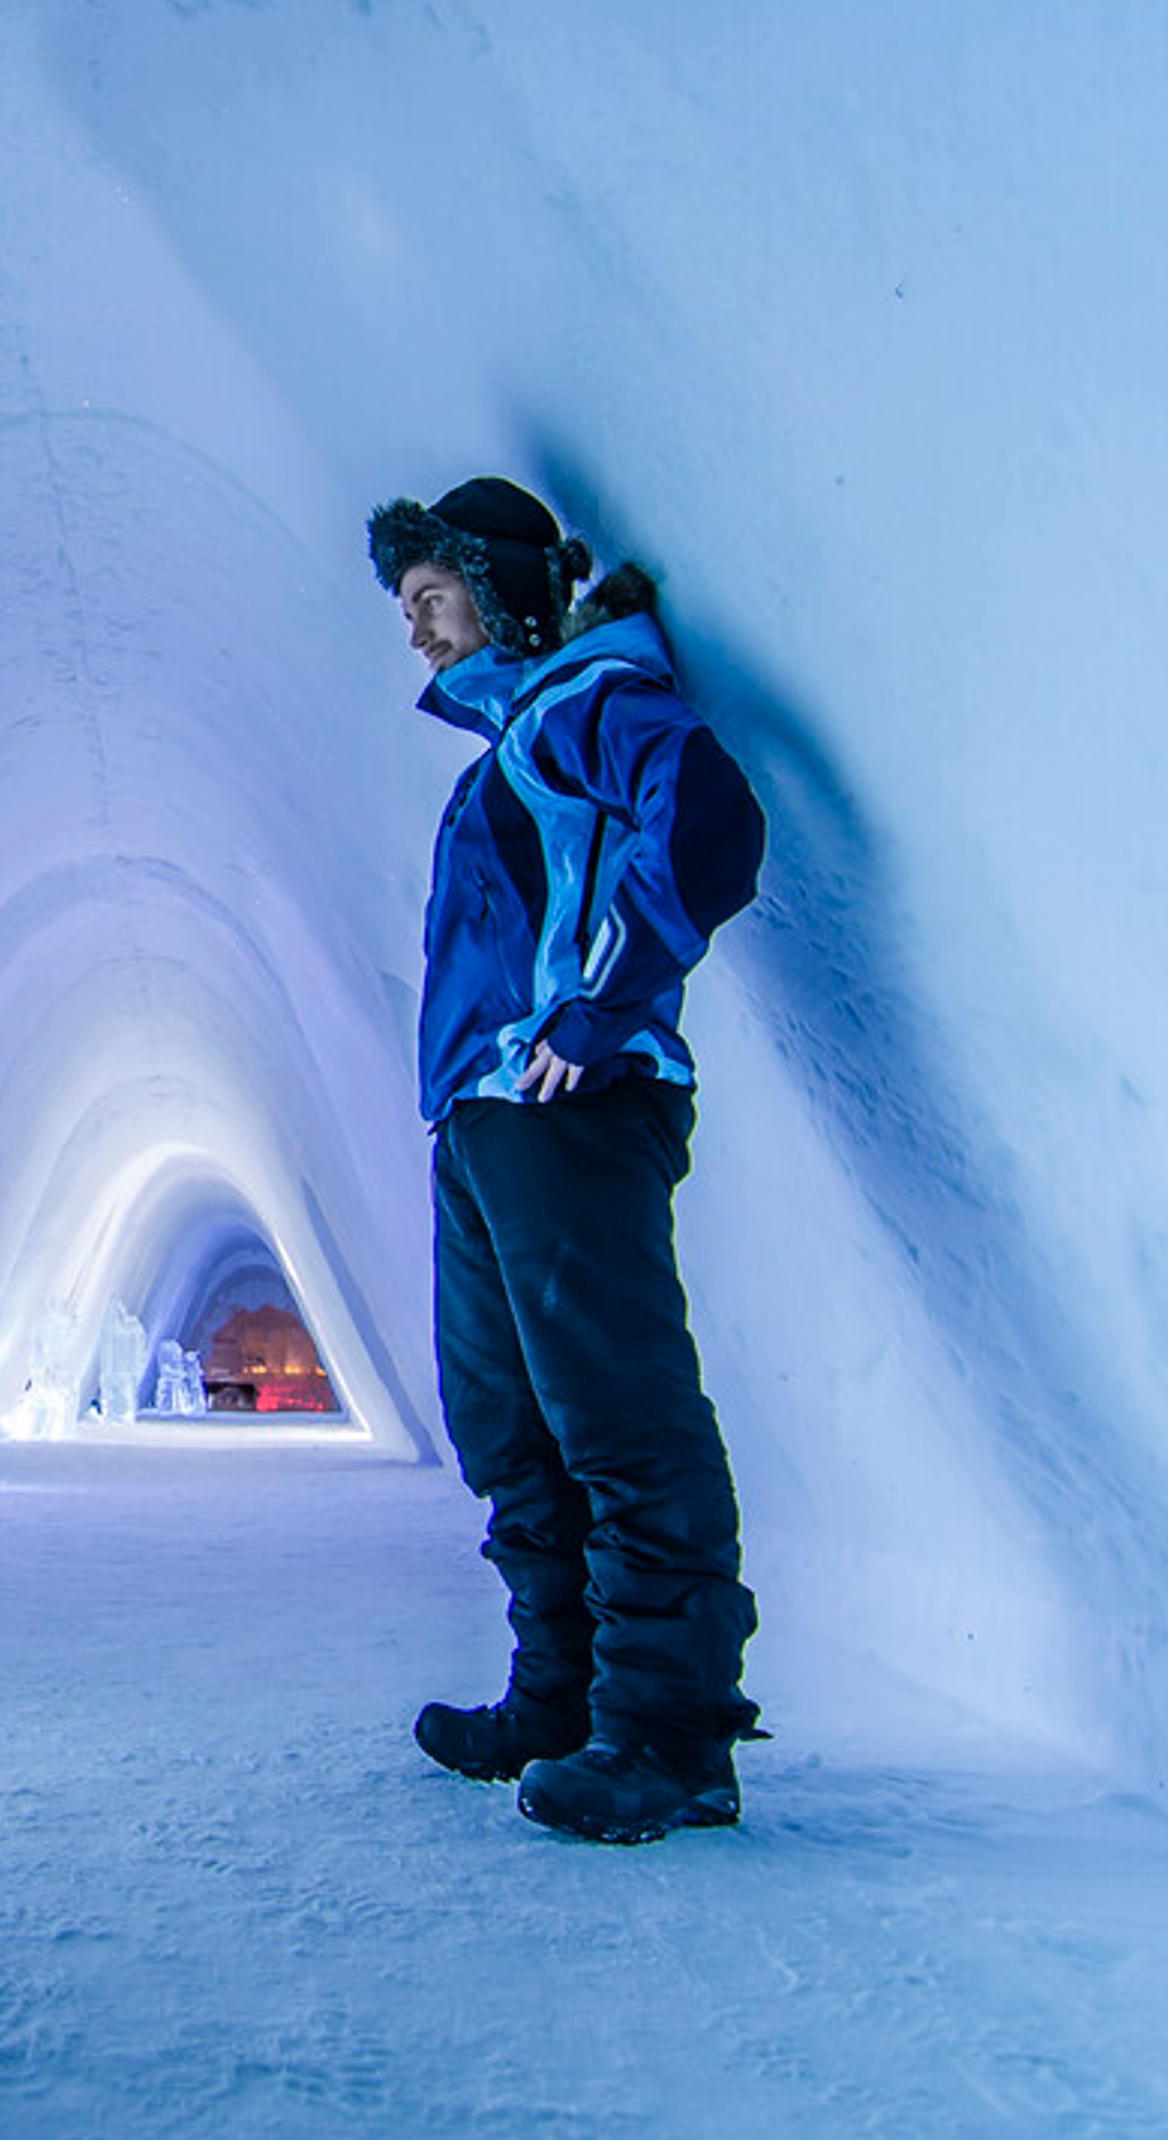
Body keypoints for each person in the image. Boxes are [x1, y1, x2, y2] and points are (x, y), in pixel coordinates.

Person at [369, 475, 768, 1843]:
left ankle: (668, 1738)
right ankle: (562, 1698)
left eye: (432, 598)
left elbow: (709, 826)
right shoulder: (510, 752)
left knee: (615, 1412)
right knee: (510, 1428)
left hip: (572, 1111)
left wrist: (604, 1007)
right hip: (486, 1122)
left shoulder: (586, 706)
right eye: (408, 610)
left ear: (503, 584)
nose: (418, 632)